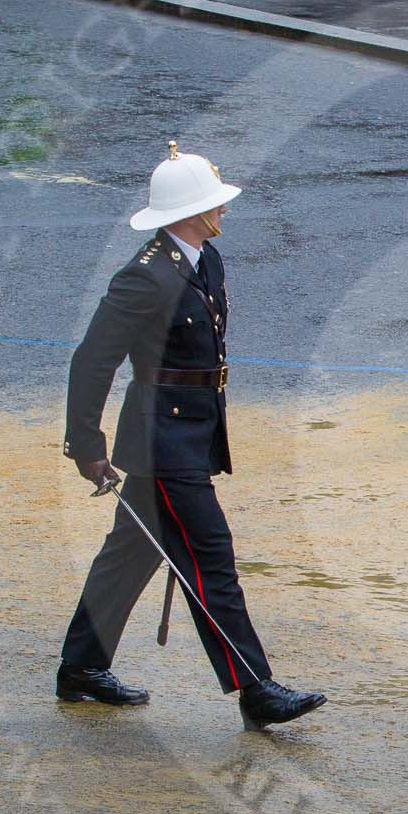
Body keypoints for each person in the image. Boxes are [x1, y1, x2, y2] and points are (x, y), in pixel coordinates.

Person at [58, 143, 327, 725]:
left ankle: (80, 666)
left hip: (192, 430)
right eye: (213, 205)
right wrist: (86, 445)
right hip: (163, 440)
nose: (222, 212)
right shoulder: (146, 276)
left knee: (129, 555)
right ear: (187, 213)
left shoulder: (203, 259)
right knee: (211, 558)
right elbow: (92, 362)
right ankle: (255, 687)